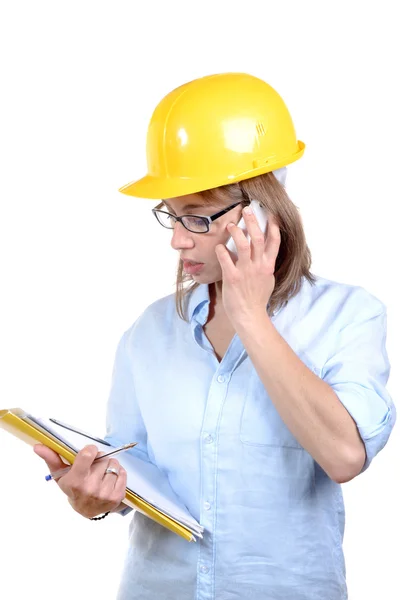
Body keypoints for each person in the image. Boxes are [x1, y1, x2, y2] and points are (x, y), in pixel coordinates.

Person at [34, 72, 396, 600]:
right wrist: (96, 497)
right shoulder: (148, 334)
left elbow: (344, 456)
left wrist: (251, 315)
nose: (178, 241)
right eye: (172, 216)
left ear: (262, 211)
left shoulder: (349, 317)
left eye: (198, 218)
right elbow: (134, 470)